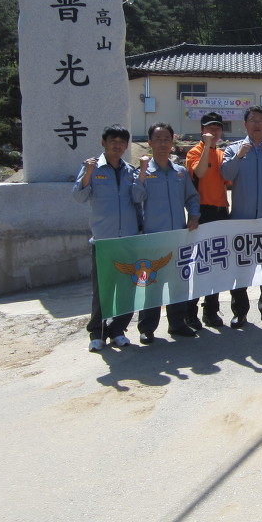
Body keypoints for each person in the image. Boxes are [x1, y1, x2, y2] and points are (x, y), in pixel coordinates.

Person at [220, 105, 262, 328]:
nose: (257, 124)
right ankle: (239, 312)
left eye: (261, 120)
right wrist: (239, 156)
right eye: (252, 120)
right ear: (245, 124)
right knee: (240, 270)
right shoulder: (233, 150)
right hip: (241, 221)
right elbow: (226, 174)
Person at [72, 124, 140, 353]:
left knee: (127, 288)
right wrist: (88, 173)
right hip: (104, 240)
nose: (117, 146)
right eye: (113, 141)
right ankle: (97, 333)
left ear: (126, 145)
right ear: (104, 143)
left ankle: (118, 330)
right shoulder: (92, 167)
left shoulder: (130, 170)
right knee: (103, 290)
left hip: (127, 239)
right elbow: (78, 196)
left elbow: (137, 201)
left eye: (122, 142)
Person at [131, 122, 201, 343]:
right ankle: (147, 328)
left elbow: (192, 197)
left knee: (177, 282)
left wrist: (194, 215)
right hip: (153, 238)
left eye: (167, 140)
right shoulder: (142, 172)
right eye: (158, 139)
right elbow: (135, 198)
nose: (162, 144)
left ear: (172, 142)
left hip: (178, 237)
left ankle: (177, 323)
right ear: (150, 142)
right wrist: (143, 173)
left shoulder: (180, 172)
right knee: (152, 284)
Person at [184, 111, 231, 329]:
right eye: (210, 128)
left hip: (221, 212)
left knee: (217, 264)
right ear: (202, 131)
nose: (214, 131)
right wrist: (206, 147)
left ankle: (211, 311)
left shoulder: (221, 154)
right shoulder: (195, 152)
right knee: (198, 265)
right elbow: (200, 173)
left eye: (217, 128)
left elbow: (230, 180)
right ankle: (190, 312)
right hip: (202, 213)